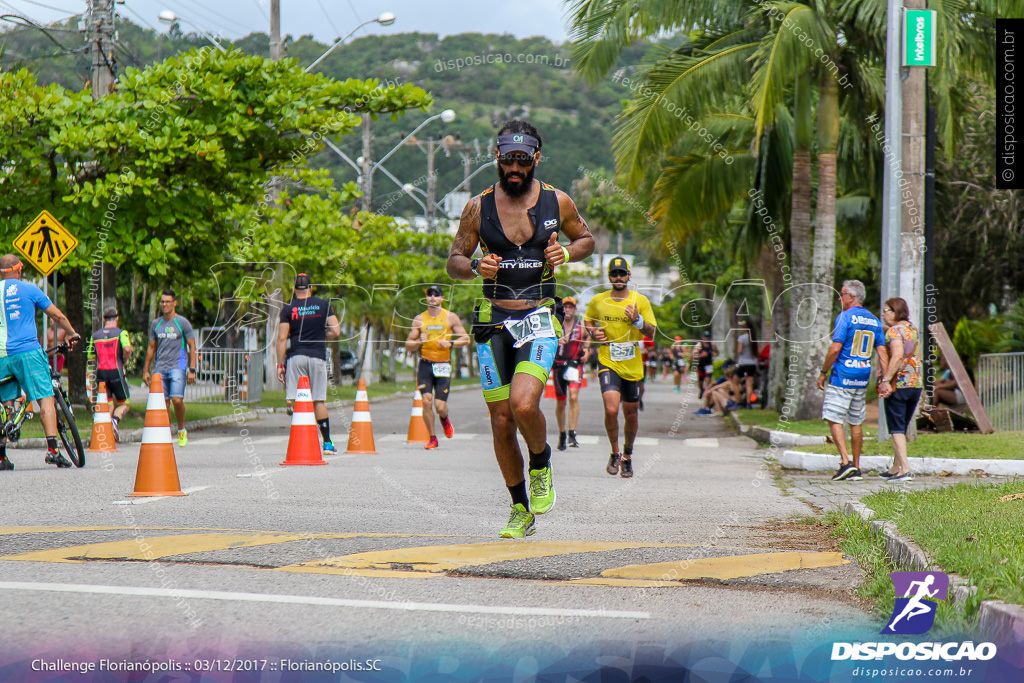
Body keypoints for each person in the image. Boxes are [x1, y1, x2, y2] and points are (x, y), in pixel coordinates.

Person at [447, 119, 595, 538]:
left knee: (524, 404)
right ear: (496, 157)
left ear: (536, 159)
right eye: (508, 160)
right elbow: (454, 260)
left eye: (523, 161)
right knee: (499, 420)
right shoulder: (478, 207)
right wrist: (476, 264)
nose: (515, 168)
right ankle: (519, 509)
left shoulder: (557, 202)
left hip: (537, 317)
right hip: (492, 319)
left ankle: (542, 461)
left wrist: (567, 251)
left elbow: (587, 239)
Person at [0, 254, 80, 471]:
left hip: (1, 355)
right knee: (46, 397)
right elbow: (57, 316)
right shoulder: (29, 289)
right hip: (27, 351)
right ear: (19, 269)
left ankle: (2, 456)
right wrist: (71, 333)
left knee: (7, 402)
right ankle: (53, 450)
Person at [584, 257, 657, 479]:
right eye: (614, 273)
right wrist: (592, 333)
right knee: (612, 409)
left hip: (633, 365)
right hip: (608, 360)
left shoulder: (640, 300)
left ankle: (627, 455)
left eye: (622, 273)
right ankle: (614, 452)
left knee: (631, 413)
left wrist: (637, 321)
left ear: (629, 275)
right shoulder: (598, 300)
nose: (618, 277)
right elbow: (588, 321)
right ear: (609, 276)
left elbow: (652, 332)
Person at [816, 280, 890, 482]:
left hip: (842, 376)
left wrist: (824, 371)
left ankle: (846, 462)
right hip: (861, 377)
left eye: (842, 294)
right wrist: (885, 379)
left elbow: (835, 349)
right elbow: (882, 353)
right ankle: (856, 466)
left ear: (851, 297)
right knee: (856, 421)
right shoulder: (874, 320)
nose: (840, 299)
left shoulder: (845, 317)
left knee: (833, 417)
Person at [276, 273, 341, 454]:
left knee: (299, 401)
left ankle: (302, 442)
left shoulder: (288, 309)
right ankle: (327, 443)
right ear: (311, 288)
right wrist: (322, 335)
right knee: (318, 400)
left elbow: (282, 339)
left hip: (296, 356)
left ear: (294, 289)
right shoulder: (323, 305)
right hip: (317, 357)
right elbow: (336, 331)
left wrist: (280, 365)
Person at [405, 284, 470, 450]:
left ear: (442, 298)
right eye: (429, 294)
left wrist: (450, 343)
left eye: (436, 294)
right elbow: (408, 345)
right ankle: (432, 437)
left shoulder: (450, 317)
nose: (432, 297)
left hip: (443, 364)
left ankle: (445, 418)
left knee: (440, 406)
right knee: (426, 402)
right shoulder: (419, 319)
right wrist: (419, 341)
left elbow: (466, 339)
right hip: (425, 364)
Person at [142, 289, 198, 447]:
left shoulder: (182, 323)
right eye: (162, 302)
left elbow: (192, 345)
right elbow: (151, 347)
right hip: (161, 367)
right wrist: (146, 369)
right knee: (163, 403)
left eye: (168, 302)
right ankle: (166, 433)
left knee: (177, 400)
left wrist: (192, 369)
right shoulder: (156, 323)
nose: (164, 305)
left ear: (175, 303)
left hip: (177, 366)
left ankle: (181, 429)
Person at [877, 297, 922, 482]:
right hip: (915, 384)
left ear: (896, 311)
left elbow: (896, 357)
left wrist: (886, 380)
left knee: (896, 428)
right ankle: (896, 466)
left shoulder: (895, 331)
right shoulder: (912, 329)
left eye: (887, 310)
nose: (883, 313)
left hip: (899, 384)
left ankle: (904, 469)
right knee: (901, 427)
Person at [88, 307, 133, 441]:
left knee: (108, 404)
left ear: (103, 319)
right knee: (125, 403)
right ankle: (114, 421)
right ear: (117, 318)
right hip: (116, 371)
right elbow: (127, 348)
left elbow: (91, 356)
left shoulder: (95, 336)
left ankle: (106, 433)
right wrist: (125, 358)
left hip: (101, 373)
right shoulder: (121, 333)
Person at [552, 295, 589, 450]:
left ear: (574, 309)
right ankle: (562, 433)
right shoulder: (555, 323)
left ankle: (572, 431)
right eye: (565, 307)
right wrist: (555, 341)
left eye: (570, 307)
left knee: (573, 396)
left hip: (574, 364)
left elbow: (587, 337)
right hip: (558, 365)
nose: (567, 309)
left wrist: (586, 349)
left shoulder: (580, 325)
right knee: (561, 402)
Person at [735, 319, 759, 407]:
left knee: (735, 382)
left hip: (743, 363)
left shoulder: (741, 338)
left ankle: (738, 401)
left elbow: (739, 351)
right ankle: (748, 403)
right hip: (752, 363)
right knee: (749, 384)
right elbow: (757, 352)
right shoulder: (755, 338)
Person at [694, 331, 718, 397]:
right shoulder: (699, 345)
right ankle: (701, 390)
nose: (707, 338)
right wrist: (701, 355)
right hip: (701, 365)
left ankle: (707, 395)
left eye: (708, 337)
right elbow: (693, 356)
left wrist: (714, 354)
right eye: (705, 337)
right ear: (702, 337)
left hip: (709, 365)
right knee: (700, 382)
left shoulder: (712, 345)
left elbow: (717, 353)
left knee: (708, 380)